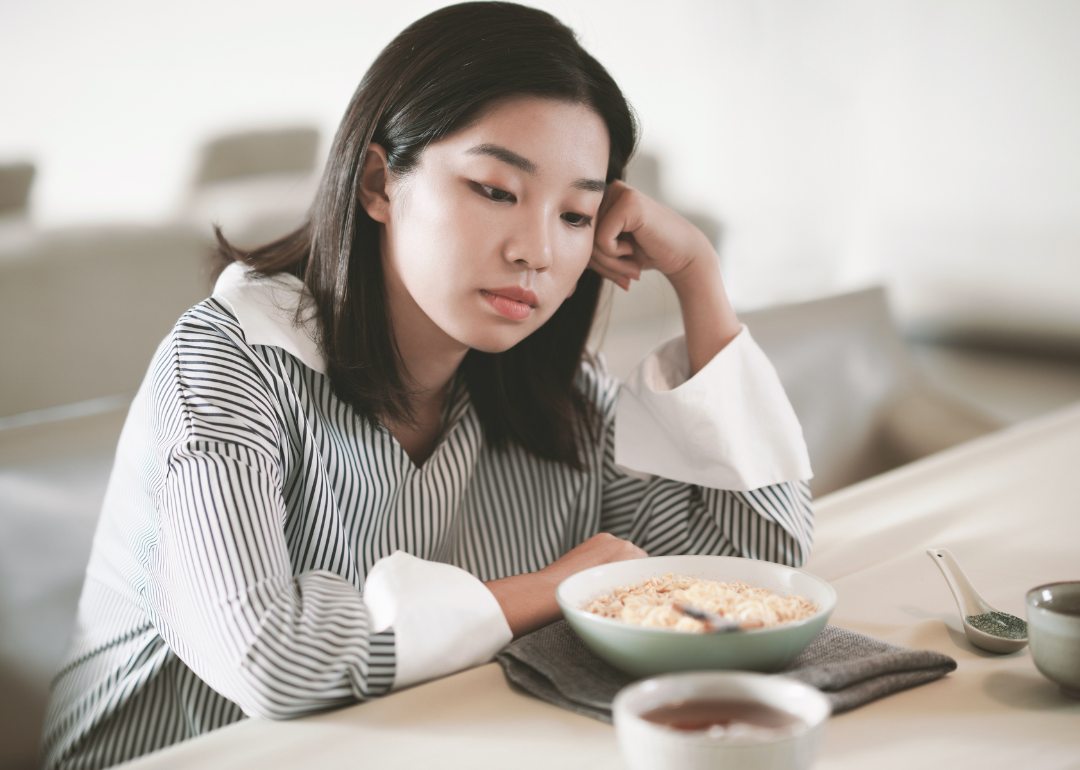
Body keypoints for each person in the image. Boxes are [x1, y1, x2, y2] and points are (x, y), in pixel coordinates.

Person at [41, 3, 813, 768]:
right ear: (379, 183)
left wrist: (696, 276)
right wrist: (548, 589)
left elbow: (753, 564)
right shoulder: (224, 365)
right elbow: (274, 658)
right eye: (496, 190)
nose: (537, 252)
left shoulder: (554, 385)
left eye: (577, 214)